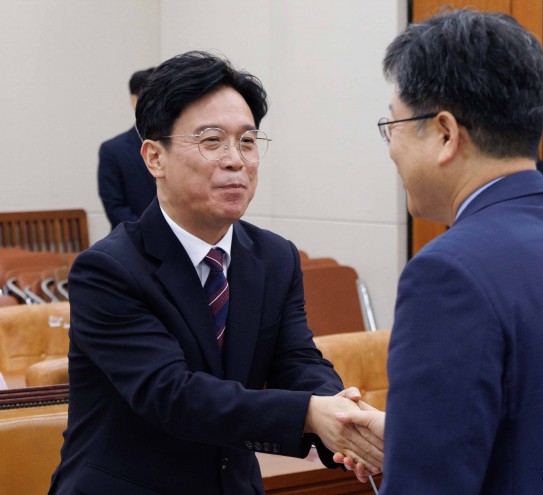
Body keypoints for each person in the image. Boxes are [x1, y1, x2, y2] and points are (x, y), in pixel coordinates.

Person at [336, 9, 543, 493]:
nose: (391, 146)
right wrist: (406, 437)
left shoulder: (448, 272)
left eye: (393, 123)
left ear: (445, 133)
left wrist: (412, 459)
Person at [50, 51, 381, 495]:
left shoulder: (274, 257)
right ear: (154, 157)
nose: (235, 160)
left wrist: (339, 420)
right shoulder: (107, 269)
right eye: (211, 141)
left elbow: (296, 359)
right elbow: (171, 394)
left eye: (247, 141)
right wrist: (308, 414)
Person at [98, 67, 157, 230]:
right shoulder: (113, 149)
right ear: (133, 100)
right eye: (149, 97)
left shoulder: (176, 142)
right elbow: (115, 206)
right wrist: (150, 231)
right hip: (133, 237)